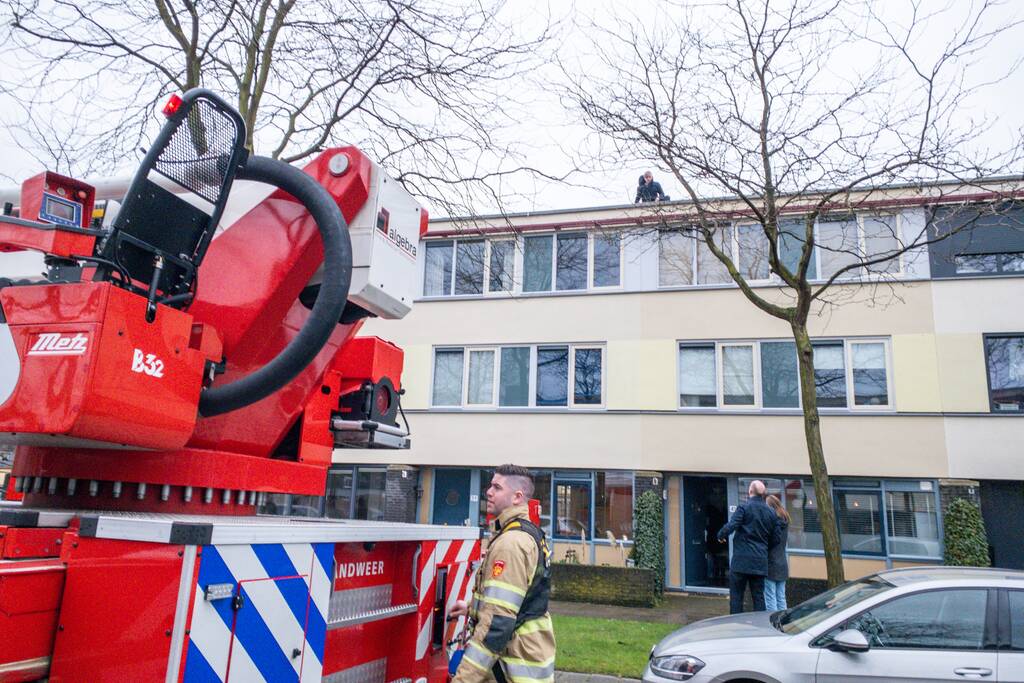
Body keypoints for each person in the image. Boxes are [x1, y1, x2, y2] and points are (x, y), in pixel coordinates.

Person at [450, 464, 556, 682]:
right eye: (490, 486)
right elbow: (516, 604)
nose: (488, 492)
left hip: (514, 671)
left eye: (497, 487)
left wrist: (462, 679)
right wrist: (472, 609)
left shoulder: (511, 543)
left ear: (517, 497)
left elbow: (497, 625)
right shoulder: (524, 532)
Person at [717, 480, 783, 614]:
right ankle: (760, 626)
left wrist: (721, 535)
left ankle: (736, 625)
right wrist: (763, 548)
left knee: (736, 597)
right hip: (759, 562)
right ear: (763, 494)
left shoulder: (744, 508)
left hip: (741, 561)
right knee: (759, 598)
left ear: (750, 491)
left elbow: (732, 525)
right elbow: (777, 539)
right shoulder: (771, 513)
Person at [764, 494, 790, 612]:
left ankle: (773, 626)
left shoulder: (772, 523)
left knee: (770, 598)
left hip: (771, 563)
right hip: (782, 562)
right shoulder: (785, 520)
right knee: (781, 597)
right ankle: (783, 622)